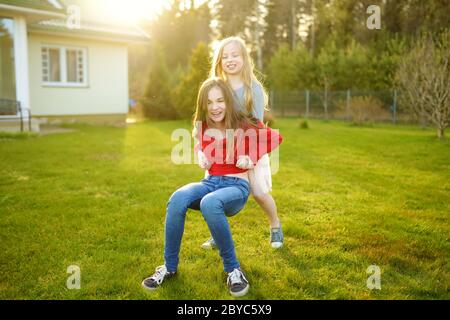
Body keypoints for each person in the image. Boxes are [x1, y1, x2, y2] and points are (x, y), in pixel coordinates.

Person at [141, 78, 282, 297]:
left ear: (228, 101)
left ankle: (233, 269)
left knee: (210, 202)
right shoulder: (205, 126)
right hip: (211, 182)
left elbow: (275, 137)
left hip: (237, 186)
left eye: (220, 101)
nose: (215, 107)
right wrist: (200, 155)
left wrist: (250, 157)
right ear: (203, 106)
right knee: (178, 197)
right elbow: (199, 143)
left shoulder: (243, 122)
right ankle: (169, 267)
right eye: (209, 103)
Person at [201, 36, 284, 250]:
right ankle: (216, 235)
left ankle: (275, 225)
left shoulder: (252, 89)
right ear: (219, 61)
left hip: (250, 148)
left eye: (235, 55)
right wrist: (204, 149)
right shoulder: (219, 87)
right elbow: (207, 120)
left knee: (258, 192)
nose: (230, 60)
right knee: (214, 192)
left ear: (244, 58)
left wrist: (250, 157)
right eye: (225, 56)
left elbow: (256, 127)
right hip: (222, 149)